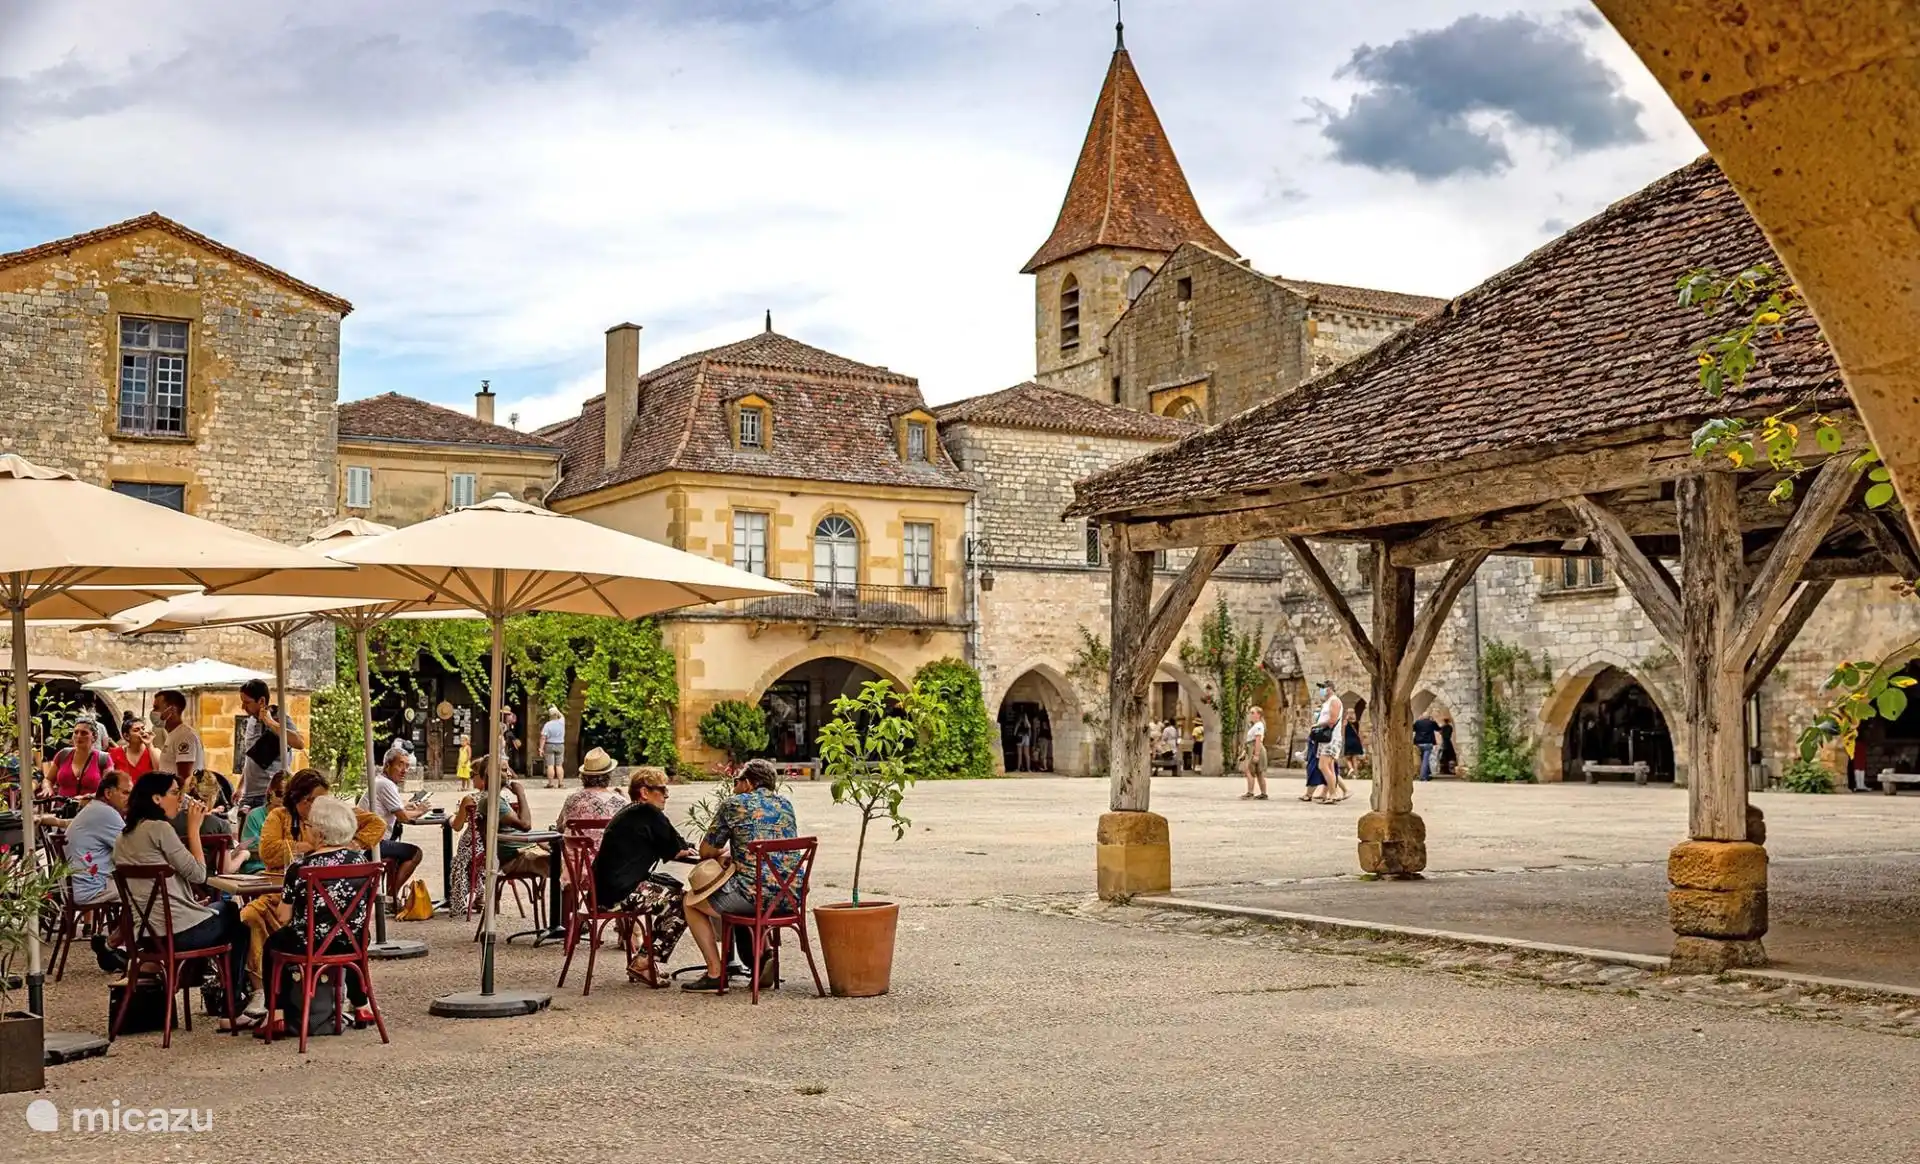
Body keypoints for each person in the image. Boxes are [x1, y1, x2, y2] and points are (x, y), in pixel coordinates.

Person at [112, 771, 251, 1017]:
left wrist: (191, 902)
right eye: (175, 793)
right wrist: (194, 829)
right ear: (156, 798)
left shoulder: (124, 836)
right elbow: (198, 874)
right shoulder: (160, 829)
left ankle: (210, 988)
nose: (180, 799)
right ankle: (231, 1003)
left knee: (221, 914)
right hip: (176, 933)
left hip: (145, 935)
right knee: (235, 918)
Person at [254, 796, 376, 1027]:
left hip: (310, 943)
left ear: (320, 833)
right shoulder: (361, 861)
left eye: (308, 825)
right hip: (353, 940)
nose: (306, 829)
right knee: (348, 934)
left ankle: (276, 1015)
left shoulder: (300, 868)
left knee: (273, 944)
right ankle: (362, 1006)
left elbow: (283, 916)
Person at [681, 758, 798, 993]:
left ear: (748, 783)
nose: (734, 786)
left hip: (753, 898)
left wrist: (723, 853)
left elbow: (706, 851)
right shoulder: (785, 804)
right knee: (754, 885)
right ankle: (763, 957)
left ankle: (715, 973)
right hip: (791, 897)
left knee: (690, 902)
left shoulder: (734, 804)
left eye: (737, 781)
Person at [592, 768, 697, 987]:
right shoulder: (648, 812)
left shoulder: (631, 812)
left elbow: (672, 843)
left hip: (604, 890)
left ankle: (646, 960)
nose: (667, 795)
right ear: (644, 792)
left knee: (672, 890)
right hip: (619, 894)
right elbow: (676, 848)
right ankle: (644, 962)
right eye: (662, 789)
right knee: (683, 903)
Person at [370, 751, 428, 910]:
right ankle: (391, 898)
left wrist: (406, 806)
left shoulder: (381, 781)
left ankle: (391, 898)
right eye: (400, 765)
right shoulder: (386, 784)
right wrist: (421, 810)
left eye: (407, 766)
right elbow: (403, 817)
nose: (404, 770)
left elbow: (395, 808)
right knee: (415, 853)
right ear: (387, 766)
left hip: (371, 841)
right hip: (373, 843)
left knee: (400, 852)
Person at [236, 678, 304, 814]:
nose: (243, 707)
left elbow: (299, 743)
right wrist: (240, 786)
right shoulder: (251, 721)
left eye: (247, 703)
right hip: (248, 794)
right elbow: (251, 757)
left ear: (261, 701)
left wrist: (270, 723)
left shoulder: (280, 717)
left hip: (268, 794)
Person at [44, 718, 111, 799]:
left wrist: (86, 797)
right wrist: (48, 788)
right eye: (76, 732)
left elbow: (109, 790)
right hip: (63, 806)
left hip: (91, 806)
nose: (79, 736)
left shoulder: (103, 758)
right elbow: (48, 779)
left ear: (94, 737)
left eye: (84, 733)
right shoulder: (63, 754)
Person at [237, 771, 287, 874]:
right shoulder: (255, 815)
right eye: (280, 794)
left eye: (287, 796)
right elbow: (247, 848)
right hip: (257, 867)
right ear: (270, 791)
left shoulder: (292, 817)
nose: (283, 800)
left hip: (283, 868)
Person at [1310, 682, 1344, 803]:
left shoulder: (1334, 701)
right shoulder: (1328, 702)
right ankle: (1332, 793)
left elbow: (1332, 720)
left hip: (1331, 738)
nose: (1321, 690)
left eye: (1323, 688)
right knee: (1329, 766)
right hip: (1325, 739)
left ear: (1330, 689)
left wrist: (1317, 725)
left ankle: (1333, 793)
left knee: (1323, 765)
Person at [108, 718, 157, 783]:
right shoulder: (115, 753)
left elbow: (160, 772)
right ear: (126, 736)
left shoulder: (154, 751)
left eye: (143, 728)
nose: (142, 732)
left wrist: (149, 745)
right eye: (136, 730)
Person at [1239, 707, 1268, 800]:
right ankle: (1262, 793)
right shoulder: (1254, 726)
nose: (1250, 715)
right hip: (1251, 748)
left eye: (1252, 713)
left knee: (1251, 771)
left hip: (1255, 748)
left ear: (1258, 715)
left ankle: (1251, 792)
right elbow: (1249, 741)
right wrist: (1244, 752)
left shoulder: (1259, 725)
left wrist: (1256, 754)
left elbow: (1258, 740)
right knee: (1256, 772)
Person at [541, 707, 566, 789]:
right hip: (560, 744)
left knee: (550, 765)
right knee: (559, 765)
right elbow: (562, 715)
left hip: (549, 745)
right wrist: (556, 709)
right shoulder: (562, 722)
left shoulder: (547, 725)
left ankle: (551, 783)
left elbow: (543, 737)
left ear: (550, 715)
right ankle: (561, 783)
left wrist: (541, 748)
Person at [1413, 710, 1441, 781]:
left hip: (1418, 743)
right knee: (1425, 760)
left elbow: (1413, 729)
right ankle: (1423, 776)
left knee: (1422, 759)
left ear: (1422, 717)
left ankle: (1427, 774)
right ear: (1429, 717)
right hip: (1428, 743)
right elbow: (1438, 729)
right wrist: (1433, 721)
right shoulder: (1432, 723)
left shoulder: (1418, 722)